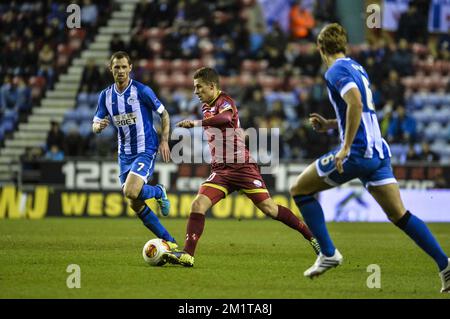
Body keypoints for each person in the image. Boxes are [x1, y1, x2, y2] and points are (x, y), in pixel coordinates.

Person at [288, 23, 449, 293]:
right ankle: (445, 264)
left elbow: (356, 104)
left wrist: (345, 146)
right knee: (400, 215)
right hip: (379, 153)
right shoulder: (356, 67)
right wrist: (330, 124)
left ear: (320, 48)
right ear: (345, 45)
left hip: (358, 152)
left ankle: (328, 253)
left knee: (299, 189)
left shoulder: (335, 70)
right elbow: (360, 110)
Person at [162, 67, 321, 267]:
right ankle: (187, 254)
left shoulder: (224, 101)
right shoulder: (206, 106)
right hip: (221, 171)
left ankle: (312, 237)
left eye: (199, 87)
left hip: (242, 167)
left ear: (212, 86)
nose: (196, 92)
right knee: (197, 205)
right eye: (195, 88)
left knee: (270, 209)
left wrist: (196, 123)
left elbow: (225, 119)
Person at [92, 51, 178, 249]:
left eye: (124, 67)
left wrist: (164, 140)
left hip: (145, 148)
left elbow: (164, 114)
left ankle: (158, 191)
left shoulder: (142, 91)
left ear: (130, 68)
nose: (120, 71)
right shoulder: (105, 96)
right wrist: (99, 127)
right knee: (135, 202)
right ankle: (171, 243)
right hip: (124, 154)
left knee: (131, 191)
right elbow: (95, 123)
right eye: (117, 67)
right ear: (110, 69)